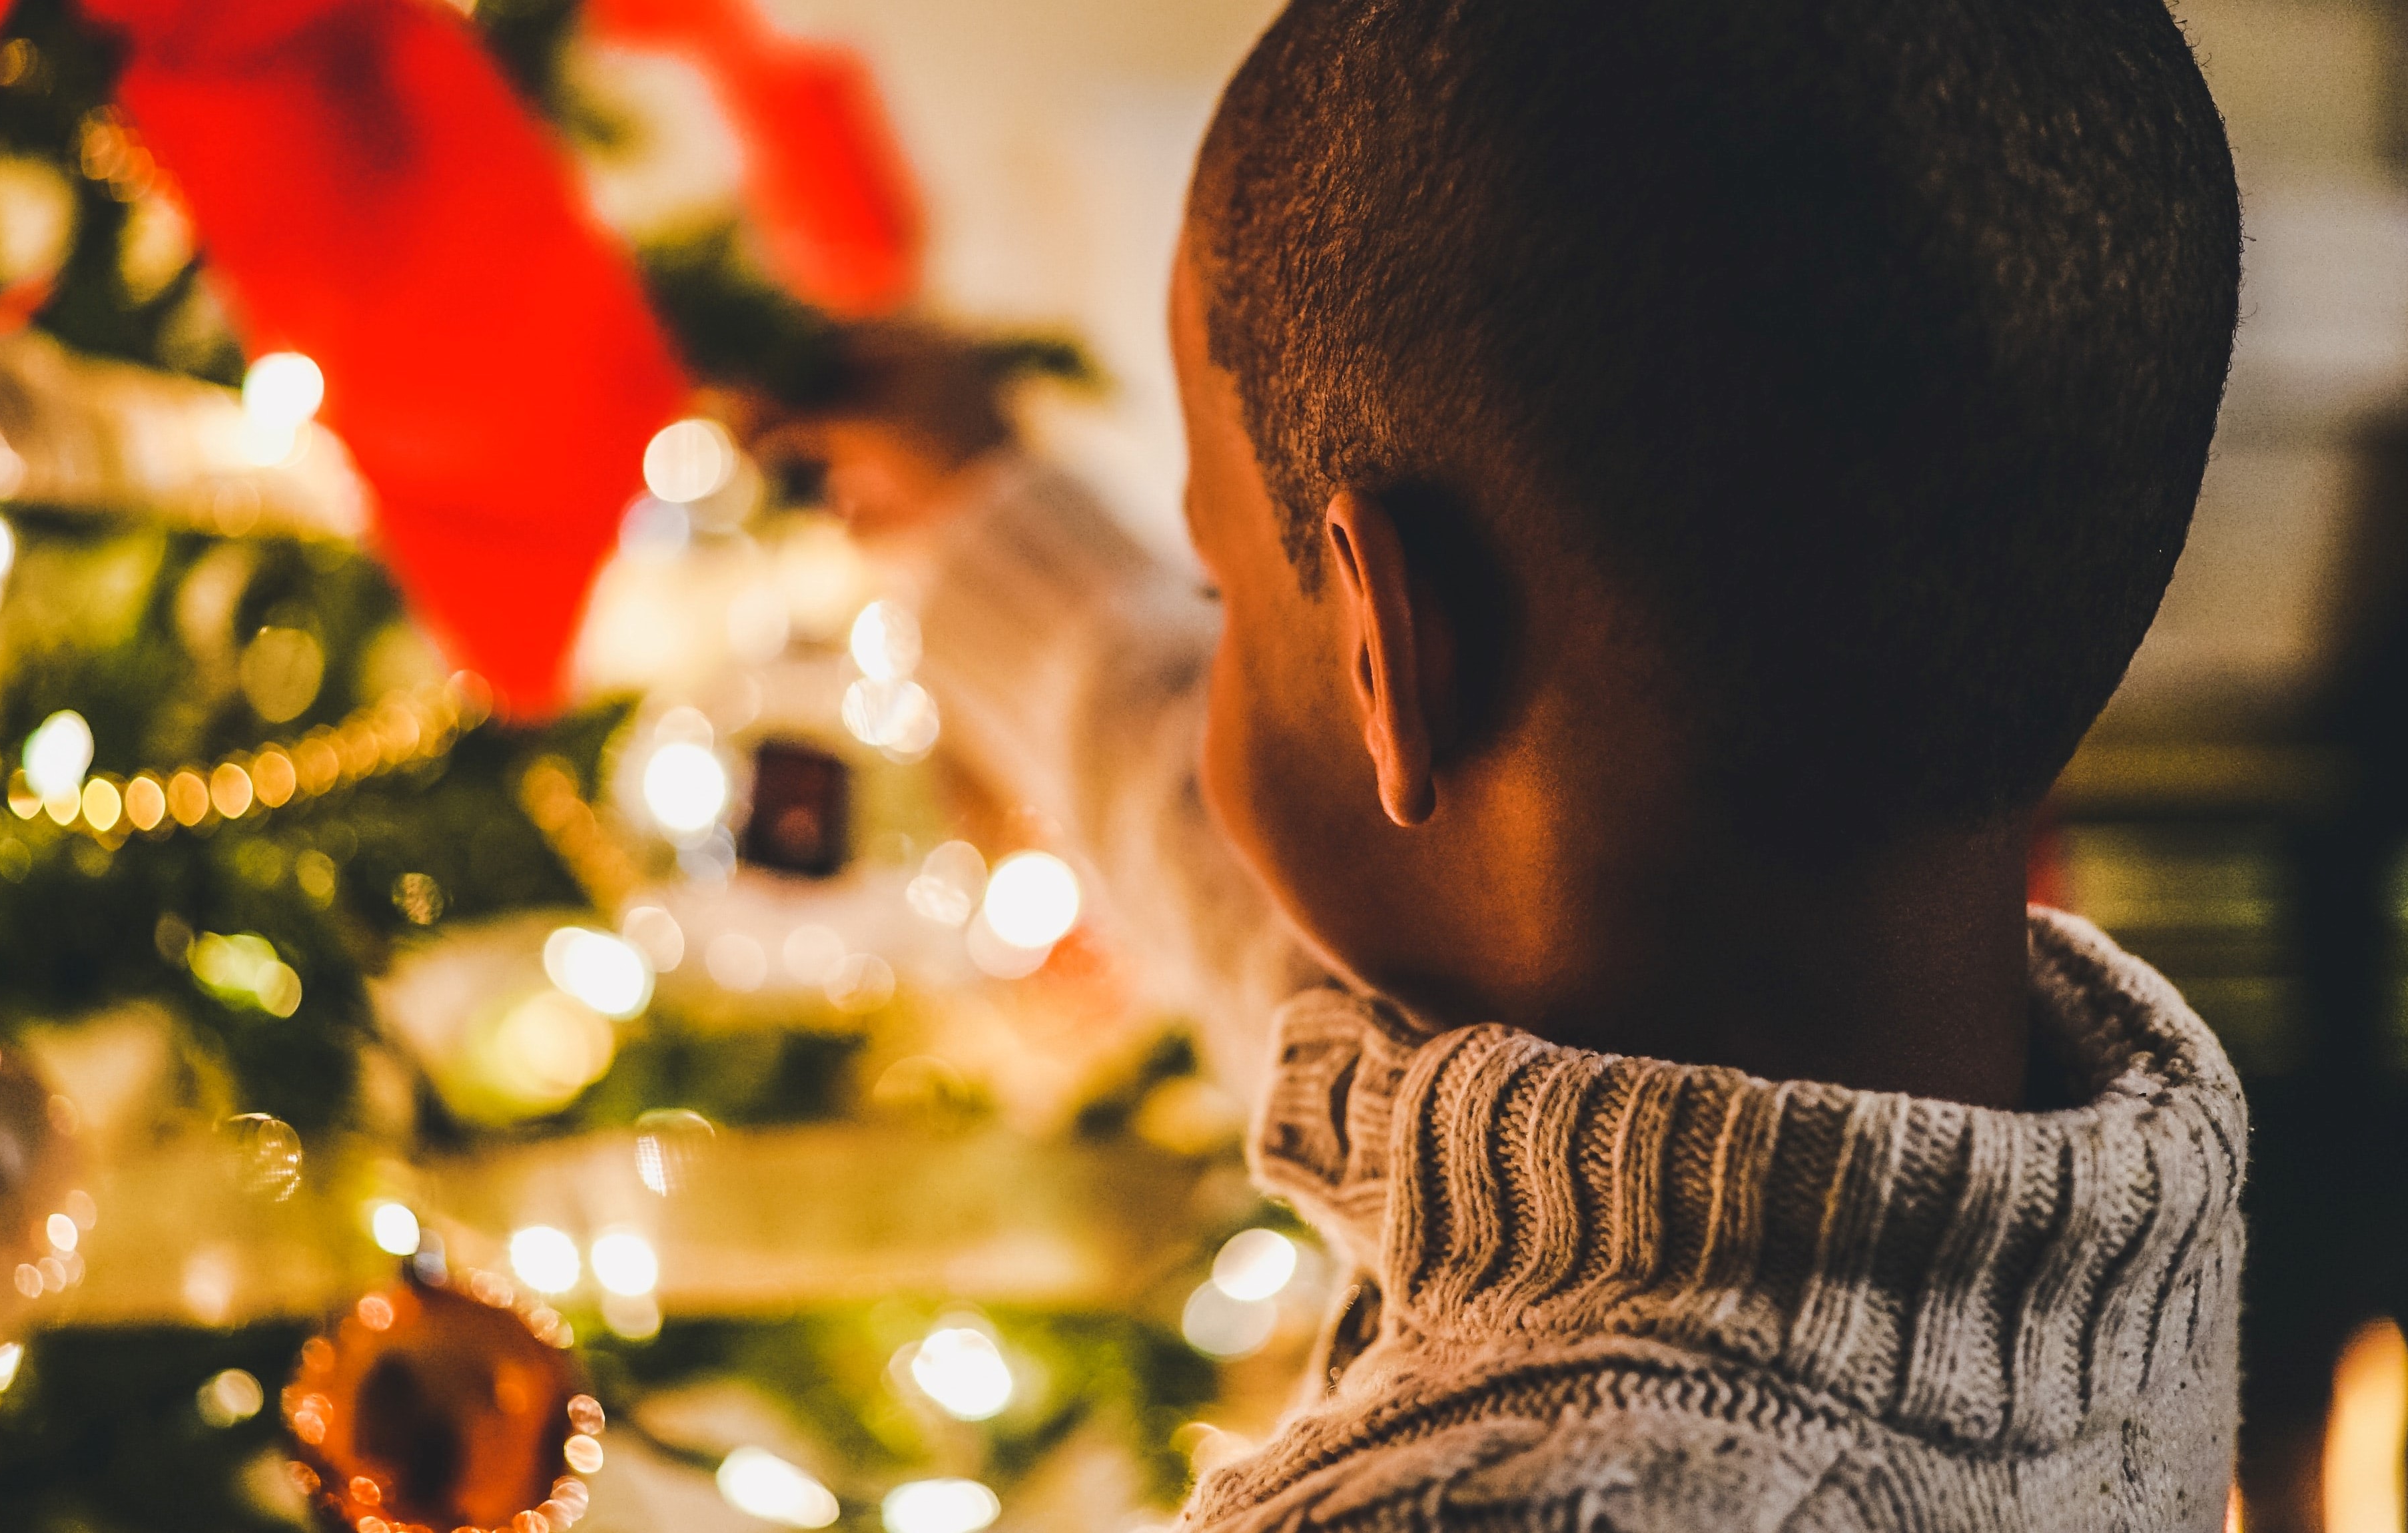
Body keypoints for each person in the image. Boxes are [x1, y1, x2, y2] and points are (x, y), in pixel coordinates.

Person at [771, 0, 2247, 1524]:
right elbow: (1328, 927)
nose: (1208, 631)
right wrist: (973, 509)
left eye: (1222, 584)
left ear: (1387, 650)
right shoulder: (2081, 1217)